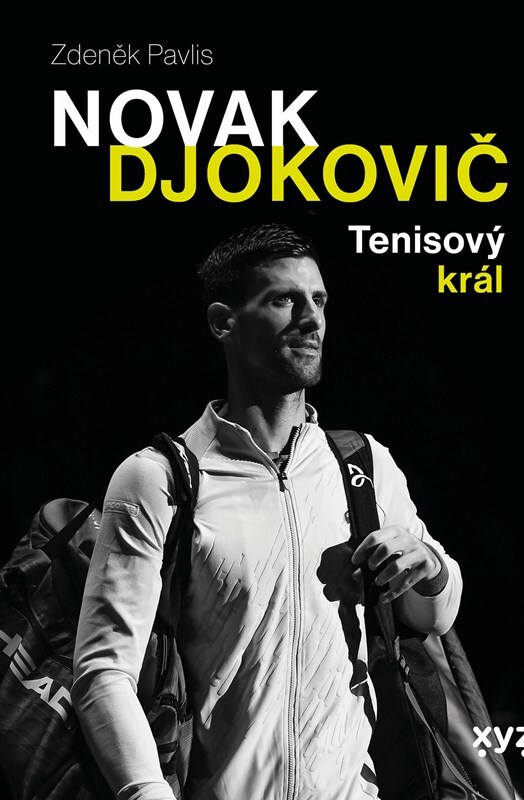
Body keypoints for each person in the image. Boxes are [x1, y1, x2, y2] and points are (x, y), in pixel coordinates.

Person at [72, 222, 463, 800]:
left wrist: (428, 566)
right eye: (284, 300)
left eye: (319, 300)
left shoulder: (362, 465)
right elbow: (103, 671)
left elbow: (435, 618)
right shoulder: (160, 479)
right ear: (223, 322)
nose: (312, 319)